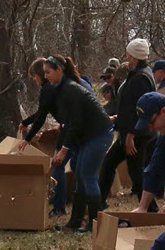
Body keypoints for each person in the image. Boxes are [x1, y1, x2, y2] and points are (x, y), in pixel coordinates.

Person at [42, 55, 113, 231]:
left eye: (48, 72)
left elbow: (76, 123)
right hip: (88, 136)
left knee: (87, 175)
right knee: (80, 174)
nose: (46, 76)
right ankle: (75, 221)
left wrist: (63, 150)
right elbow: (69, 124)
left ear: (59, 70)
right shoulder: (63, 88)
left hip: (100, 134)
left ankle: (95, 224)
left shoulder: (71, 90)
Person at [99, 38, 156, 205]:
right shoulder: (137, 74)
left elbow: (141, 110)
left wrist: (131, 135)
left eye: (129, 55)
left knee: (136, 174)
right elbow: (129, 105)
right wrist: (120, 119)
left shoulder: (141, 78)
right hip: (128, 132)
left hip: (135, 135)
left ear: (135, 57)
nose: (127, 58)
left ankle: (151, 210)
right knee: (109, 164)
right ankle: (98, 204)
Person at [18, 58, 70, 216]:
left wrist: (28, 139)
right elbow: (42, 111)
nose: (35, 80)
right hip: (68, 127)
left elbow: (41, 117)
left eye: (35, 77)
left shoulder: (48, 89)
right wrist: (25, 122)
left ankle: (59, 206)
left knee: (58, 166)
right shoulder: (51, 89)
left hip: (69, 128)